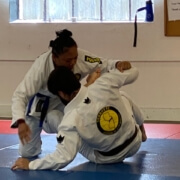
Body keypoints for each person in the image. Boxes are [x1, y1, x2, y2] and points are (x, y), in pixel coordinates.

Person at [11, 29, 132, 158]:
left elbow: (103, 63)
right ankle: (37, 142)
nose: (73, 62)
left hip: (65, 100)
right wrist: (21, 121)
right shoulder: (40, 68)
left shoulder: (79, 57)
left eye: (75, 58)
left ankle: (89, 147)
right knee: (27, 153)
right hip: (41, 105)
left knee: (67, 119)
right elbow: (20, 95)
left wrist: (118, 63)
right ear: (54, 57)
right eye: (68, 60)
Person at [12, 66, 147, 170]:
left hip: (107, 159)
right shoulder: (105, 83)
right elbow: (134, 72)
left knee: (54, 118)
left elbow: (64, 157)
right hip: (135, 144)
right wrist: (123, 65)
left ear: (62, 94)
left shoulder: (70, 120)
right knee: (122, 96)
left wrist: (30, 165)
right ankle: (142, 130)